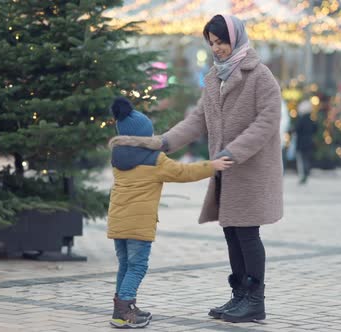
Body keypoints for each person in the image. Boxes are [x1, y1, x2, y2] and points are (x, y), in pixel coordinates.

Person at [110, 14, 282, 323]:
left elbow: (267, 121)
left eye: (221, 42)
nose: (217, 49)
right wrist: (164, 142)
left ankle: (255, 300)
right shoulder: (215, 79)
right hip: (225, 170)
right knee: (231, 232)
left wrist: (234, 151)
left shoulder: (260, 76)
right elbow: (197, 120)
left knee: (246, 233)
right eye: (212, 43)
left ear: (236, 39)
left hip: (249, 170)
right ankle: (240, 295)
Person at [107, 97, 233, 328]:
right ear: (145, 136)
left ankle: (123, 307)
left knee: (125, 265)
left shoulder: (117, 157)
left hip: (118, 222)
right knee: (138, 266)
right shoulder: (154, 159)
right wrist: (212, 166)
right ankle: (123, 311)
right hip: (138, 225)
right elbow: (183, 172)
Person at [294, 100, 318, 184]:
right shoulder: (311, 119)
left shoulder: (301, 119)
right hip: (309, 142)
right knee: (306, 159)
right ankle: (306, 173)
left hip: (301, 142)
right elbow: (315, 129)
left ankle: (303, 175)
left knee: (301, 160)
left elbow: (296, 129)